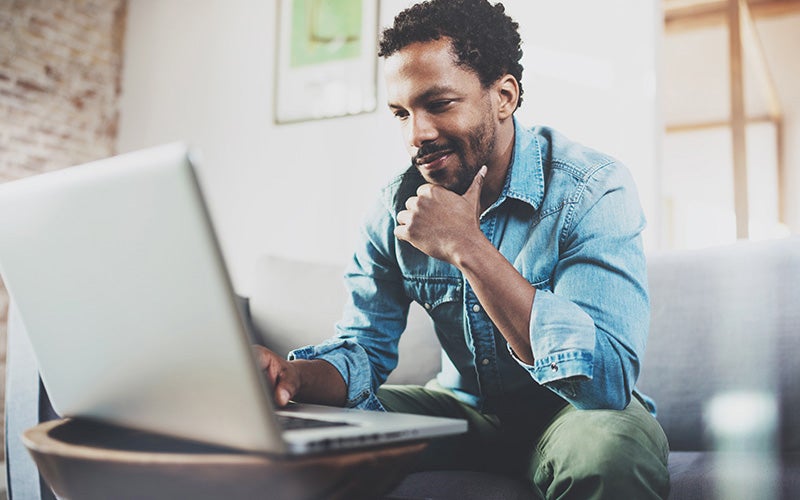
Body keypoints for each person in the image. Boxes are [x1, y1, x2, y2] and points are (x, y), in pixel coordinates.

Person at [254, 0, 670, 497]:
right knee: (312, 429)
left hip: (574, 413)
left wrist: (466, 245)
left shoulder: (592, 189)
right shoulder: (395, 208)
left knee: (610, 452)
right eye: (401, 112)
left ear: (504, 96)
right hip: (463, 410)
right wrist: (293, 376)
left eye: (439, 103)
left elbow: (606, 380)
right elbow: (364, 349)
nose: (417, 134)